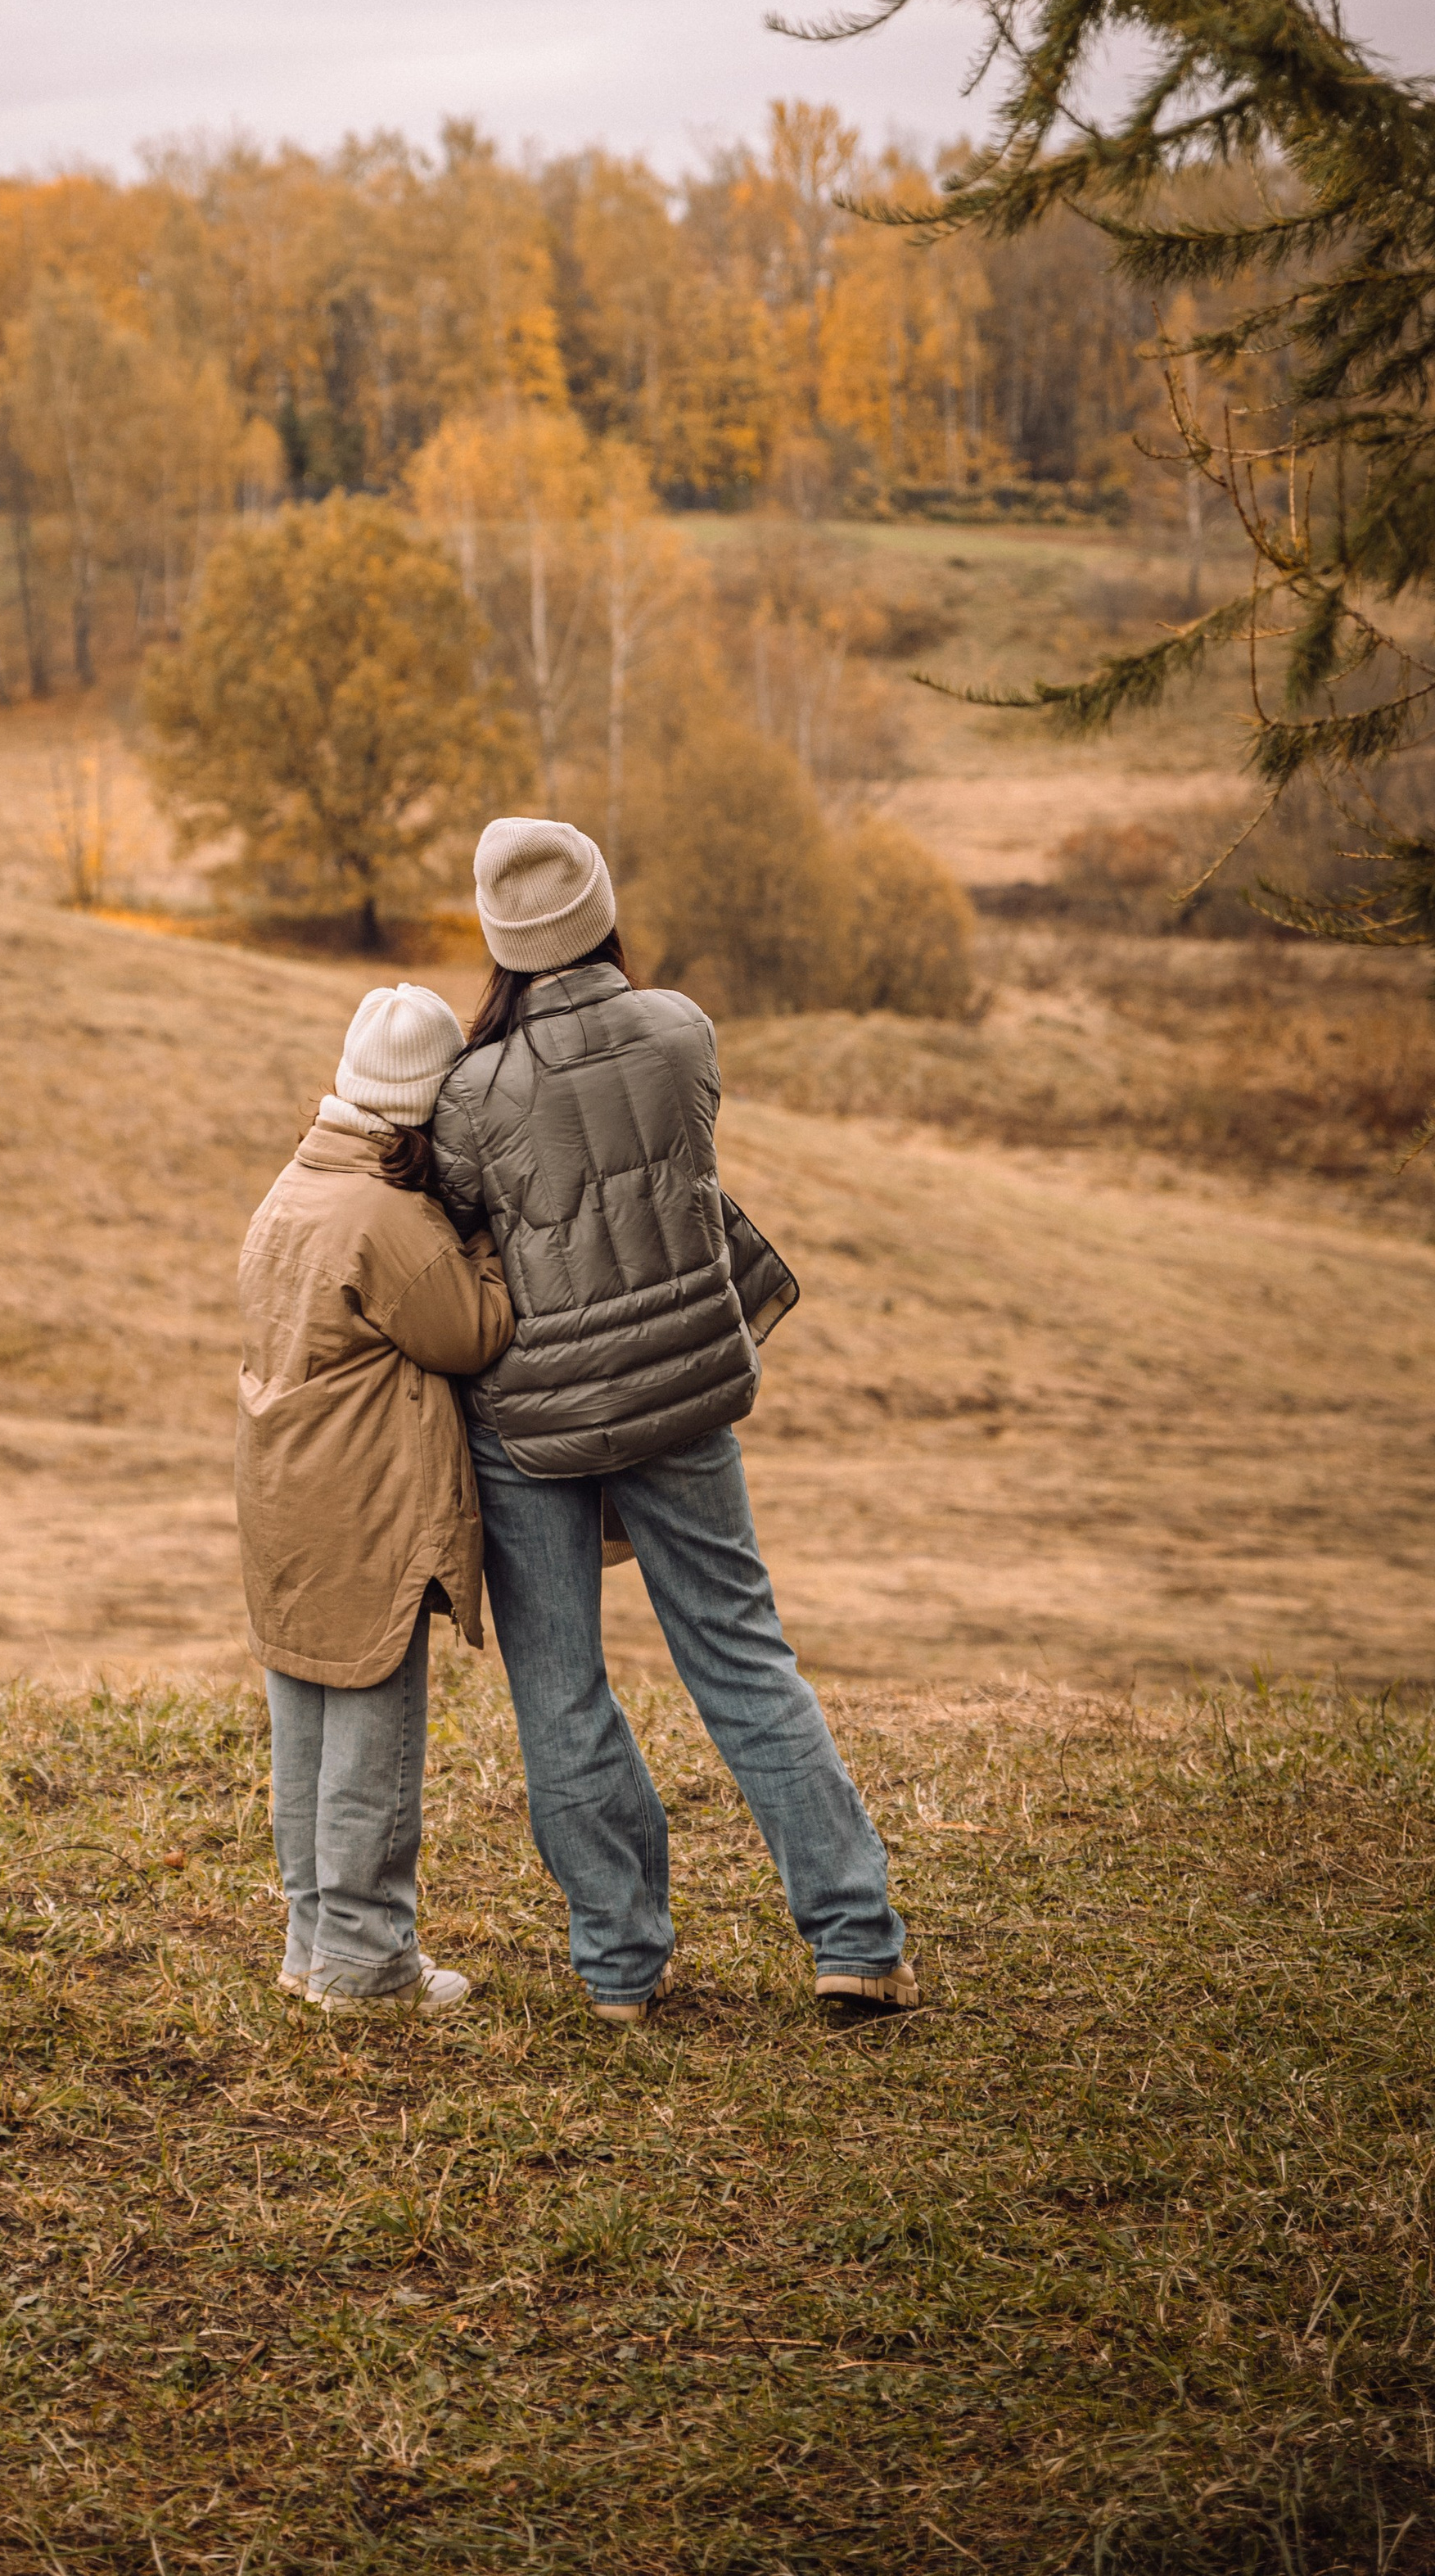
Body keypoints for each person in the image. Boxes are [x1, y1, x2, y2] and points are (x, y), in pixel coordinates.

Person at [430, 815, 913, 2029]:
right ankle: (854, 1938)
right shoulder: (681, 1031)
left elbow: (459, 1229)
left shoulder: (470, 1093)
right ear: (600, 912)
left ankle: (620, 1968)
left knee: (561, 1688)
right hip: (687, 1395)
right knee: (743, 1656)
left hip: (533, 1422)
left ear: (498, 941)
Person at [237, 979, 515, 2017]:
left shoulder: (293, 1187)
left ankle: (313, 1940)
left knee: (304, 1721)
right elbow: (472, 1330)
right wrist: (483, 1240)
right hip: (366, 1510)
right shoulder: (383, 1214)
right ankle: (365, 1959)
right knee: (370, 1730)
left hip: (286, 1501)